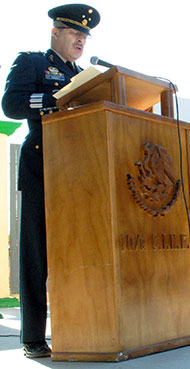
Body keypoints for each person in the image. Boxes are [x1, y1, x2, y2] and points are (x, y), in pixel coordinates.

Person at [1, 4, 100, 358]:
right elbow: (10, 105)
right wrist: (55, 100)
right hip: (42, 168)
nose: (81, 41)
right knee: (36, 257)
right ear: (55, 32)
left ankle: (82, 324)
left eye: (85, 36)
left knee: (80, 253)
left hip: (81, 173)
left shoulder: (90, 75)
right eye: (75, 33)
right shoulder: (32, 62)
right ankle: (32, 338)